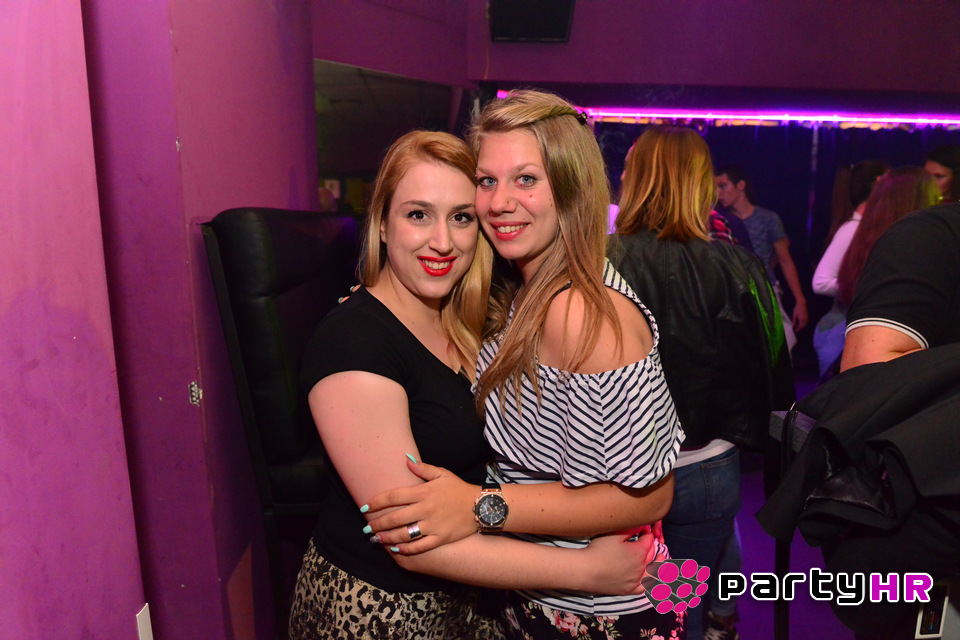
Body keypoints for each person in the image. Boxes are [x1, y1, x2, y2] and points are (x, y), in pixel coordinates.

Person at [288, 130, 659, 640]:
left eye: (461, 217)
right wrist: (589, 572)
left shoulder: (469, 318)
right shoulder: (353, 342)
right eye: (418, 215)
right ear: (382, 224)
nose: (443, 242)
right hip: (377, 612)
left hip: (470, 601)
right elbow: (412, 539)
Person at [363, 91, 686, 639]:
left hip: (599, 613)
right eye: (487, 181)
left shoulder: (578, 310)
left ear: (571, 187)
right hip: (542, 595)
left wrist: (478, 505)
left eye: (526, 179)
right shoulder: (524, 289)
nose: (499, 203)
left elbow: (647, 494)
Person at [609, 126, 794, 639]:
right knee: (679, 609)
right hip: (707, 467)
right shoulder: (739, 265)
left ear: (636, 178)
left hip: (614, 475)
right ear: (700, 184)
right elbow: (774, 369)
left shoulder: (599, 260)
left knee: (619, 612)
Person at [715, 164, 808, 352]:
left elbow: (785, 260)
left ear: (740, 185)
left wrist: (800, 300)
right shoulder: (721, 221)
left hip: (767, 288)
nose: (719, 193)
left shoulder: (768, 219)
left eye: (723, 186)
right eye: (716, 187)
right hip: (734, 293)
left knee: (783, 342)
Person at [810, 160, 889, 377]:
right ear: (878, 184)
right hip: (838, 329)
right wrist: (865, 288)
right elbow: (820, 282)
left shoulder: (863, 228)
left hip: (844, 328)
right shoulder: (852, 229)